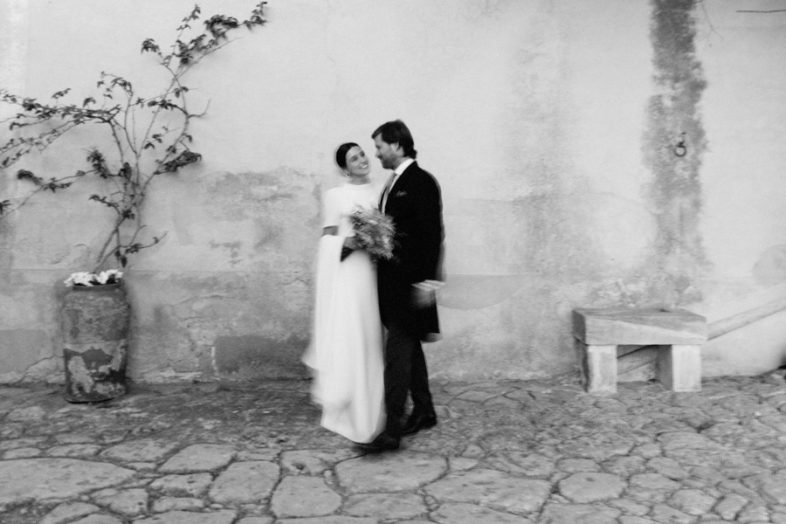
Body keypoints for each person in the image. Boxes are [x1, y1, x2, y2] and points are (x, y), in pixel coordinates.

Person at [362, 119, 444, 452]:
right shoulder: (393, 183)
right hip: (392, 284)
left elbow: (432, 234)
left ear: (397, 145)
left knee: (396, 355)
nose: (377, 154)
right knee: (409, 350)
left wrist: (429, 280)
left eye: (380, 146)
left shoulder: (421, 181)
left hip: (410, 286)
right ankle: (424, 410)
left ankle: (391, 428)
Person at [302, 142, 386, 445]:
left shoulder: (381, 192)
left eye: (362, 154)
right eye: (354, 158)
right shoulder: (335, 197)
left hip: (373, 274)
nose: (362, 160)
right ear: (344, 168)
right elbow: (326, 239)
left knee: (372, 335)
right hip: (349, 277)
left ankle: (375, 401)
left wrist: (379, 241)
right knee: (351, 335)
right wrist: (348, 243)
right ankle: (349, 402)